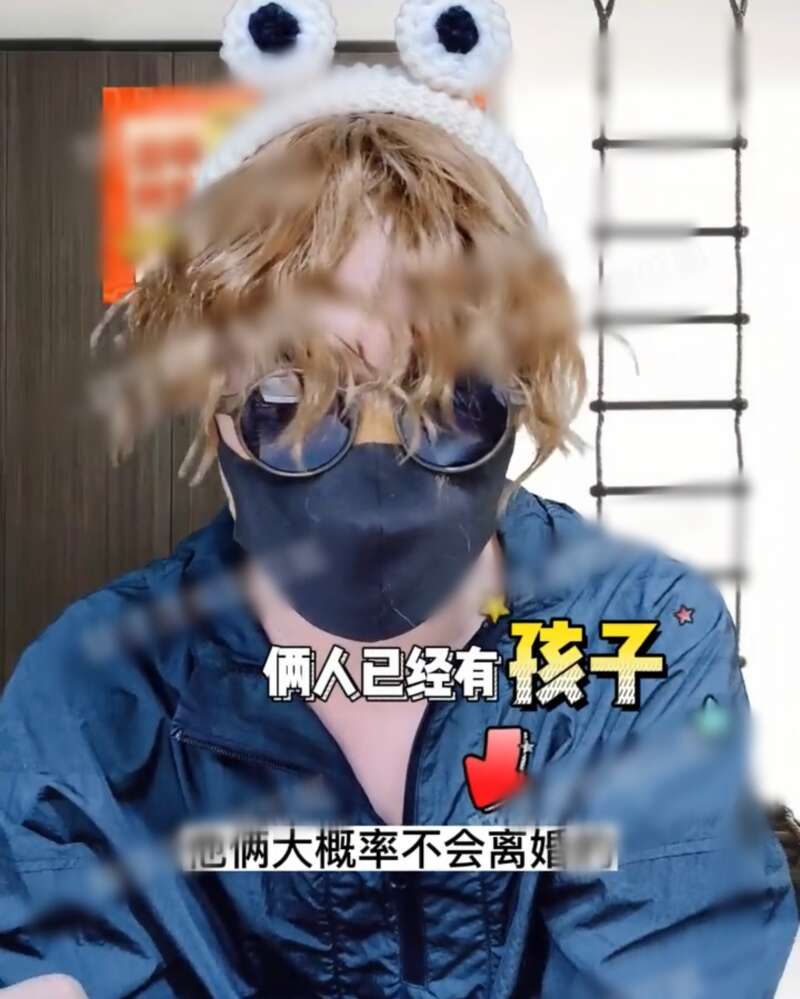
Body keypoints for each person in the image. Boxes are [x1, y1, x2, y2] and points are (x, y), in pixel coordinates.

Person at [0, 1, 796, 996]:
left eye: (446, 399)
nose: (375, 470)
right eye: (296, 398)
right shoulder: (90, 696)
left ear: (522, 393)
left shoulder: (639, 643)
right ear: (212, 400)